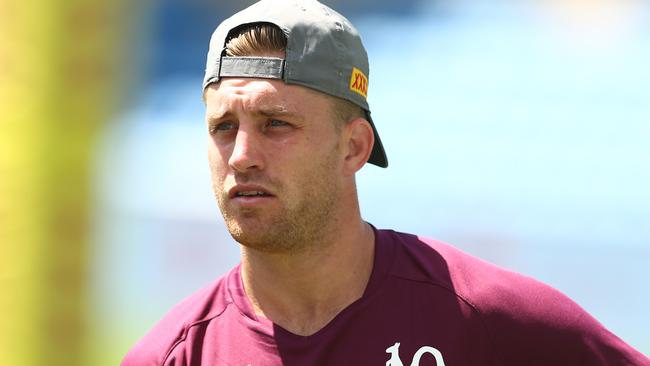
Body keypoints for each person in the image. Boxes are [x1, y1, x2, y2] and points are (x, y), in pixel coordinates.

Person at [121, 0, 649, 365]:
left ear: (354, 147)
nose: (241, 156)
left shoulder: (485, 316)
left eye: (276, 124)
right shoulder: (172, 354)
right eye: (223, 128)